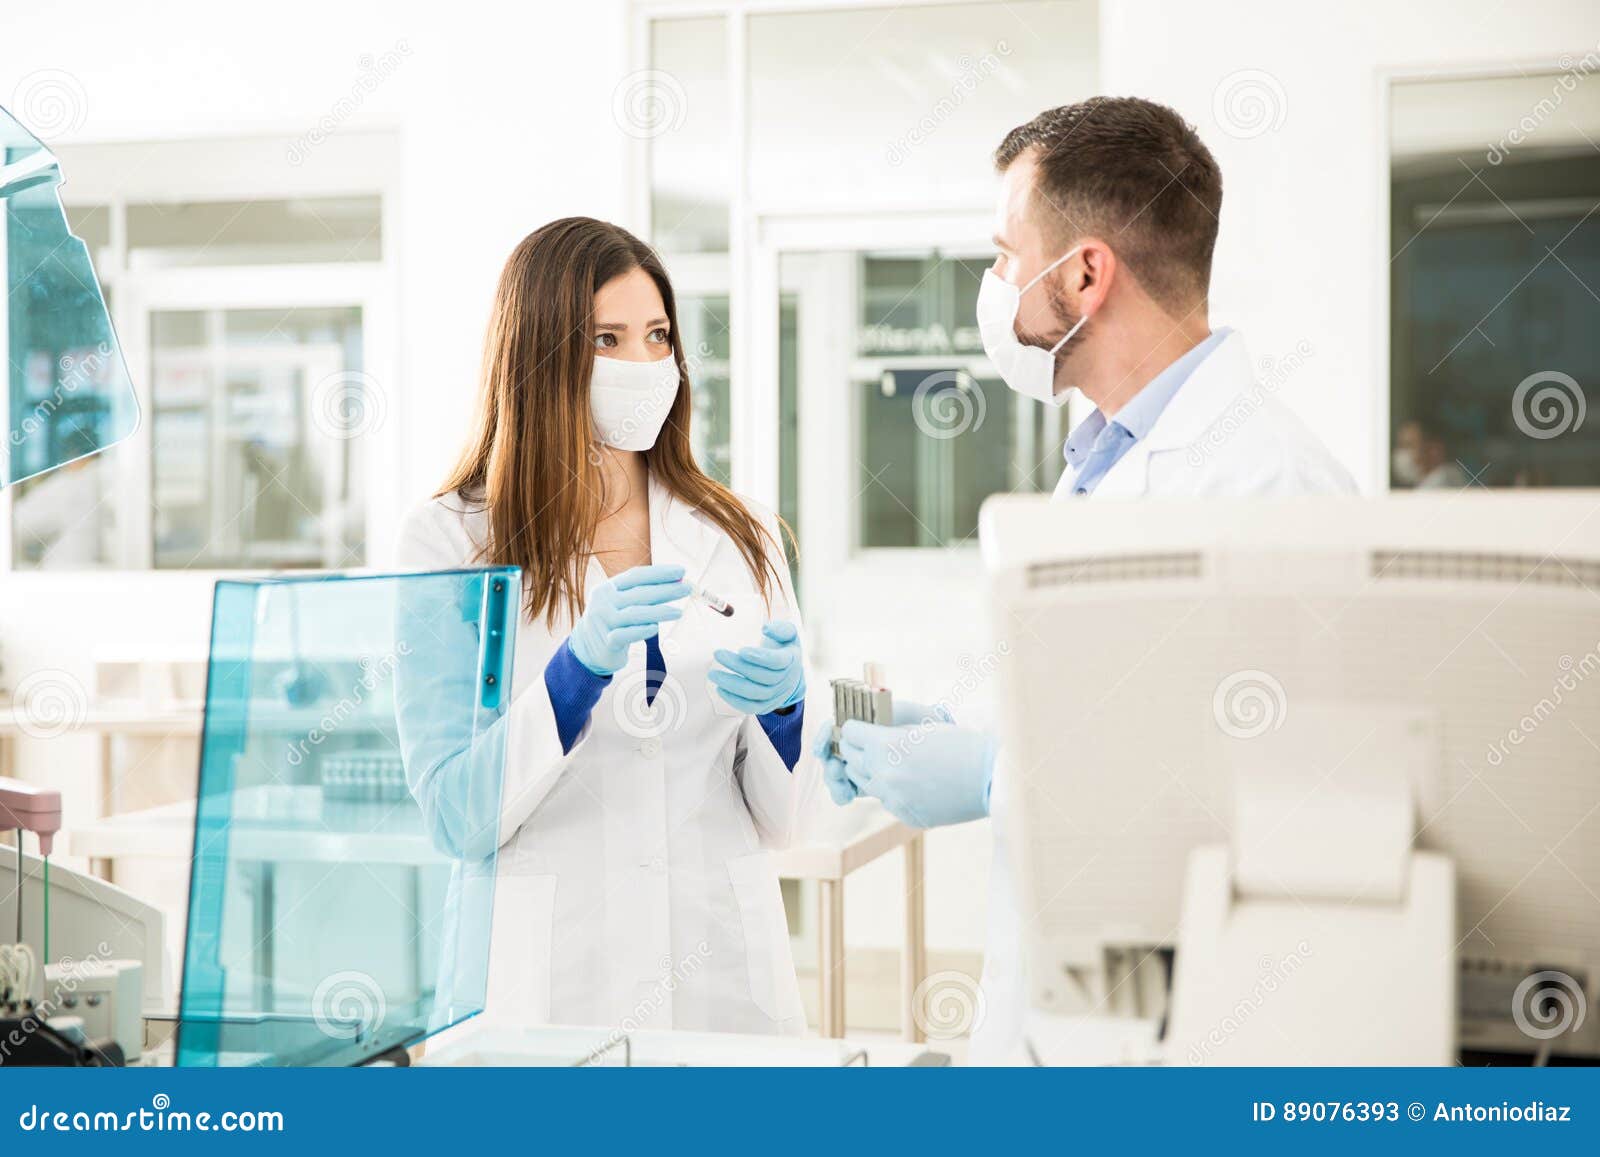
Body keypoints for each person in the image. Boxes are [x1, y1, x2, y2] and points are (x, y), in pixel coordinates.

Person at [817, 97, 1357, 1059]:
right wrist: (960, 732)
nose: (995, 285)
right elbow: (1114, 704)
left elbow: (1262, 794)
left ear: (1086, 273)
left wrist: (994, 776)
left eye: (1003, 256)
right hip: (1063, 1015)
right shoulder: (1100, 460)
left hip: (1183, 1034)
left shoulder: (1267, 483)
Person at [397, 217, 815, 1036]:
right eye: (608, 339)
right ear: (539, 354)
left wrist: (788, 713)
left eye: (658, 336)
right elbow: (455, 815)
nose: (645, 365)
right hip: (547, 980)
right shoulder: (452, 540)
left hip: (720, 973)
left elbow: (785, 819)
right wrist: (572, 676)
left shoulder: (740, 534)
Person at [1392, 417, 1469, 489]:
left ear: (1433, 448)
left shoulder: (1443, 481)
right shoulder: (1422, 484)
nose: (1402, 453)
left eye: (1409, 445)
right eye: (1401, 445)